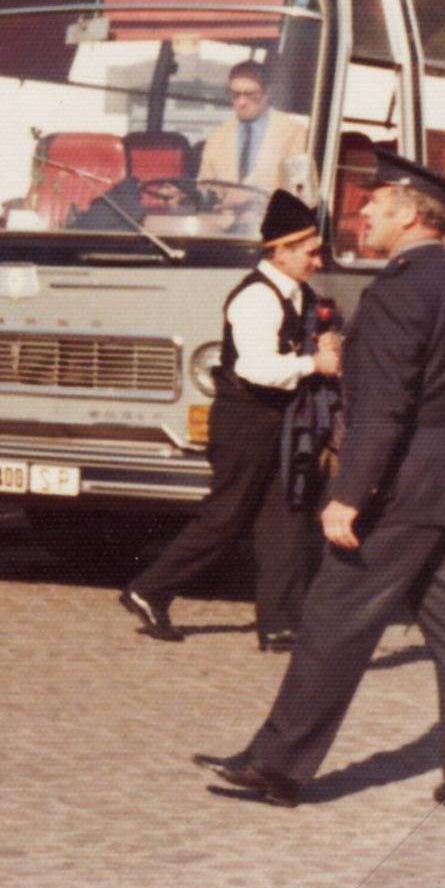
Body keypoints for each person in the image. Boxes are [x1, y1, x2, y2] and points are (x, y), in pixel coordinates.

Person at [196, 152, 445, 815]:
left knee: (330, 617)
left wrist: (347, 494)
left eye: (374, 202)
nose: (362, 212)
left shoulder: (398, 291)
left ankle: (276, 765)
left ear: (409, 213)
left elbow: (383, 408)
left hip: (398, 488)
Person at [120, 191, 337, 650]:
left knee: (287, 519)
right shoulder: (256, 298)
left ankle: (280, 626)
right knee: (227, 517)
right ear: (280, 250)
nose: (319, 260)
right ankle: (148, 589)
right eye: (310, 251)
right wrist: (312, 365)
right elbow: (254, 369)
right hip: (245, 421)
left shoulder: (298, 293)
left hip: (280, 422)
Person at [196, 60, 311, 197]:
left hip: (272, 217)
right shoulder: (217, 136)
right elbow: (205, 187)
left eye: (251, 95)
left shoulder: (293, 132)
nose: (241, 102)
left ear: (268, 92)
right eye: (235, 95)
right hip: (222, 217)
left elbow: (302, 193)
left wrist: (252, 197)